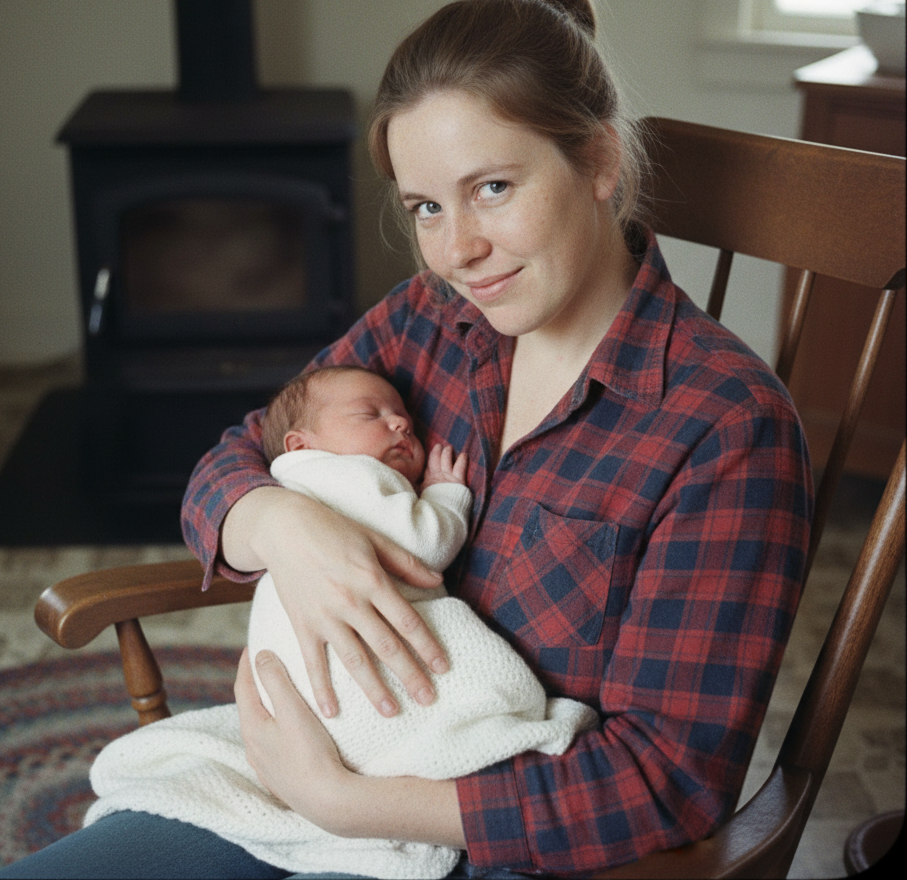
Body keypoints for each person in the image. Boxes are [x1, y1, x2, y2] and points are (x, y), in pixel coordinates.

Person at [0, 0, 812, 879]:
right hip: (303, 777)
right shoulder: (436, 320)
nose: (457, 249)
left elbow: (668, 783)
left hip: (492, 843)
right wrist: (286, 524)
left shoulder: (722, 426)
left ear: (600, 161)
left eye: (492, 187)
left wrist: (344, 804)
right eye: (426, 205)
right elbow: (243, 454)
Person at [81, 364, 597, 879]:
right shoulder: (346, 475)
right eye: (369, 415)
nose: (400, 425)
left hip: (310, 744)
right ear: (300, 446)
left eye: (407, 422)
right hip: (342, 718)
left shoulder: (313, 470)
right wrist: (445, 495)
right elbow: (424, 544)